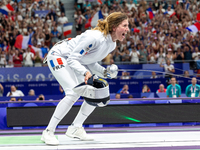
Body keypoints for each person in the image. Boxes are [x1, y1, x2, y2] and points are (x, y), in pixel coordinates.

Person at [41, 12, 129, 145]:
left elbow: (90, 61)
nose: (128, 29)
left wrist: (106, 72)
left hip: (75, 61)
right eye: (125, 26)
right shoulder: (94, 37)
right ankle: (48, 131)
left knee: (95, 92)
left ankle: (76, 128)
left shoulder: (112, 44)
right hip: (59, 56)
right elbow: (73, 58)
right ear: (114, 27)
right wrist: (85, 72)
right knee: (72, 93)